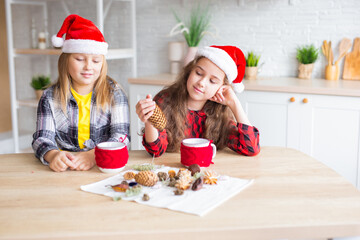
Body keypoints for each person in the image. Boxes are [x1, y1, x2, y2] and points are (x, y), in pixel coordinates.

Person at [32, 14, 130, 172]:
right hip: (66, 169)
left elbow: (122, 137)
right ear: (66, 61)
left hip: (102, 167)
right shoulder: (49, 97)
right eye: (79, 59)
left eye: (96, 61)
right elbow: (42, 138)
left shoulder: (115, 94)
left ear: (102, 63)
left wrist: (94, 155)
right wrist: (53, 155)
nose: (88, 67)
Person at [136, 45, 260, 157]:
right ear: (190, 71)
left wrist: (234, 103)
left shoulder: (220, 115)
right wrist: (149, 120)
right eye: (199, 73)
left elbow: (251, 148)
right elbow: (155, 150)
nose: (201, 83)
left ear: (221, 88)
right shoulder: (165, 101)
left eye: (212, 81)